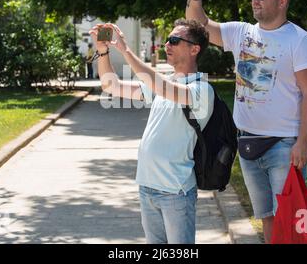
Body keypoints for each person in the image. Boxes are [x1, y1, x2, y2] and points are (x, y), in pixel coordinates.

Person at [186, 0, 307, 243]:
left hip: (284, 145)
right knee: (267, 216)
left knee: (289, 215)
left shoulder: (301, 41)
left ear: (282, 1)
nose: (254, 0)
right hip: (247, 142)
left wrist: (303, 142)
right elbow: (198, 24)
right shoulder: (241, 32)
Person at [89, 19, 214, 244]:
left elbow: (160, 86)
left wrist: (125, 49)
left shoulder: (201, 90)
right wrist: (103, 52)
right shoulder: (163, 85)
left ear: (195, 49)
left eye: (175, 40)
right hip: (147, 187)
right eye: (167, 39)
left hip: (176, 192)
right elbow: (111, 86)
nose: (167, 44)